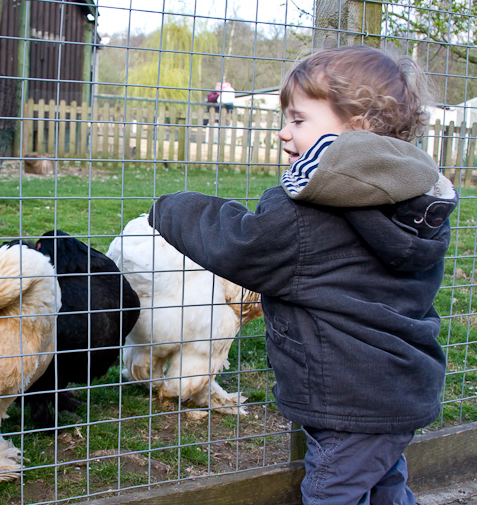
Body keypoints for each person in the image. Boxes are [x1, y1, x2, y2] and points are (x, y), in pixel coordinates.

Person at [148, 46, 458, 505]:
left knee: (332, 491)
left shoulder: (311, 215)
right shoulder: (414, 205)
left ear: (359, 126)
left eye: (297, 120)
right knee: (382, 482)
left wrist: (171, 207)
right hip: (397, 388)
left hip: (345, 400)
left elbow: (242, 244)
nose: (282, 133)